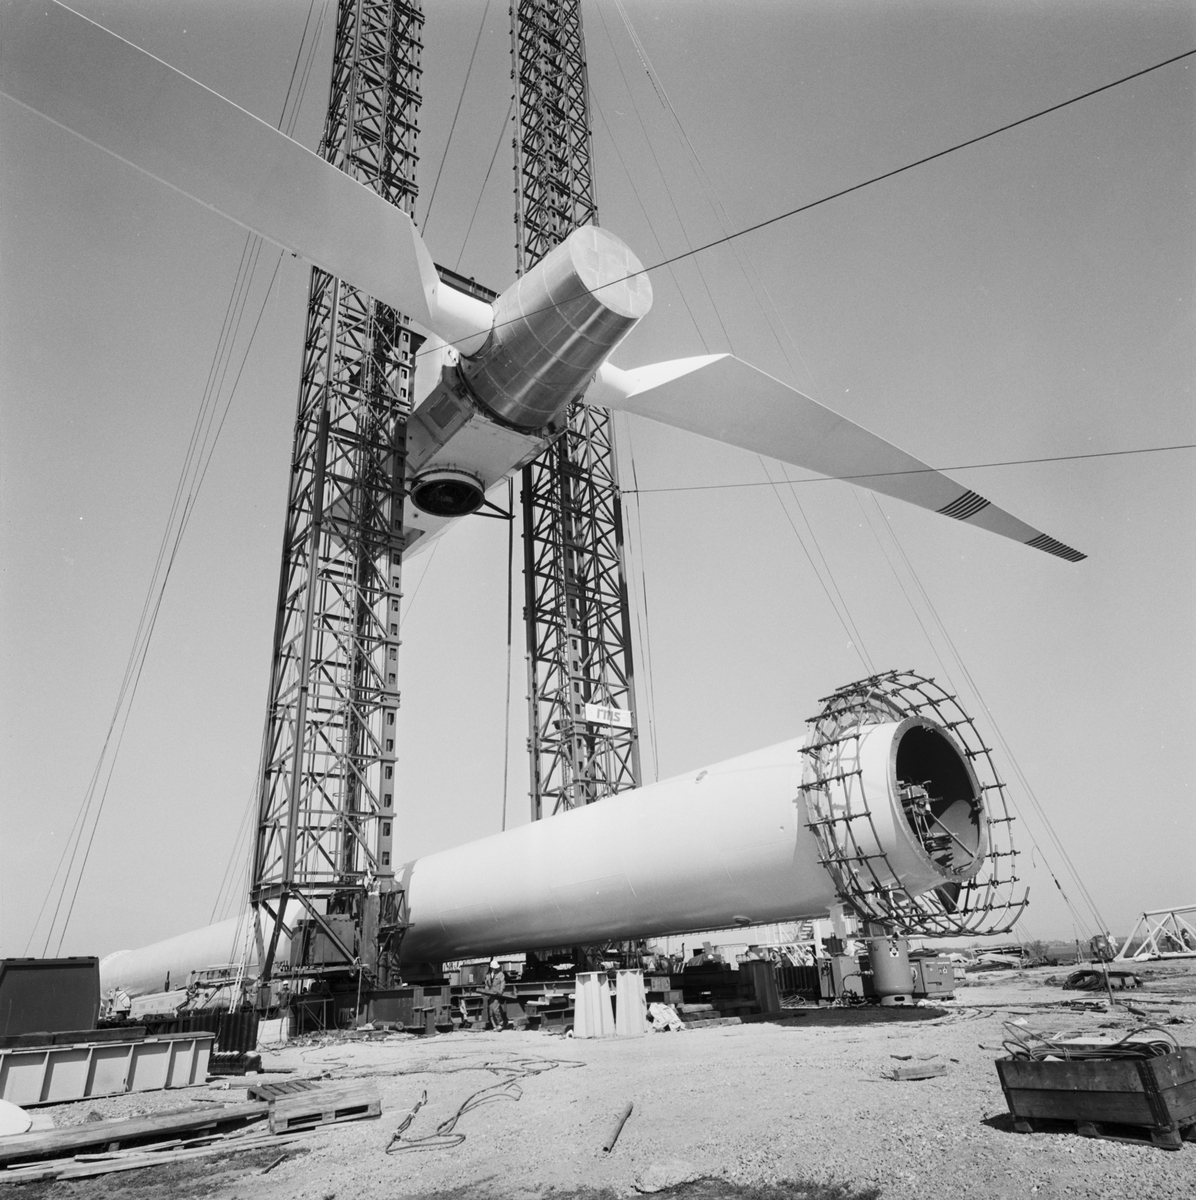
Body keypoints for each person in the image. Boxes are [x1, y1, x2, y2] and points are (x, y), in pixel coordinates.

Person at [482, 958, 507, 1029]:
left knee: (495, 1009)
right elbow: (487, 984)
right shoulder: (488, 975)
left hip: (497, 994)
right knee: (491, 1011)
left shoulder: (500, 974)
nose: (496, 969)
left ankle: (500, 1024)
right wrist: (486, 992)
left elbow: (503, 983)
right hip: (490, 994)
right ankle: (494, 1026)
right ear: (492, 968)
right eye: (495, 968)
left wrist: (501, 991)